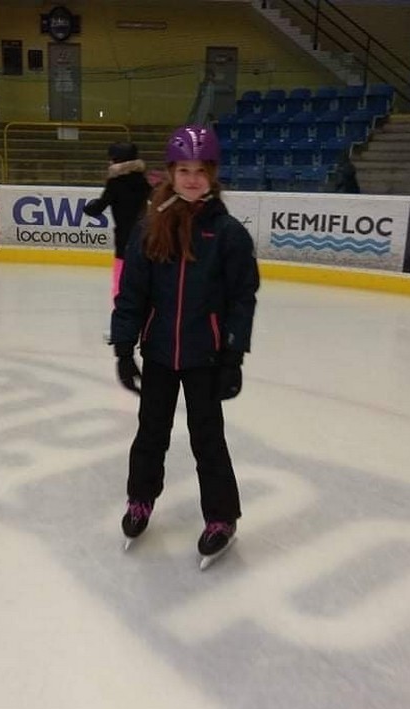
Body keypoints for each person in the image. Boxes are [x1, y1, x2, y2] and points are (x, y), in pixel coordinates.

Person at [110, 125, 260, 567]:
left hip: (205, 357)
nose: (192, 179)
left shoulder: (228, 234)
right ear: (171, 174)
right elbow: (132, 293)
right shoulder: (149, 228)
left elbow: (242, 298)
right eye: (184, 171)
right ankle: (140, 499)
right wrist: (124, 348)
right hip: (158, 352)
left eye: (200, 171)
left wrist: (233, 355)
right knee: (150, 433)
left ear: (212, 174)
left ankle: (222, 517)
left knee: (207, 439)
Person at [82, 142, 152, 301]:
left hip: (124, 239)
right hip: (144, 236)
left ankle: (121, 307)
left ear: (117, 161)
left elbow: (99, 207)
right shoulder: (142, 180)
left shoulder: (115, 183)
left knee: (121, 280)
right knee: (142, 276)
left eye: (112, 159)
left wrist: (88, 208)